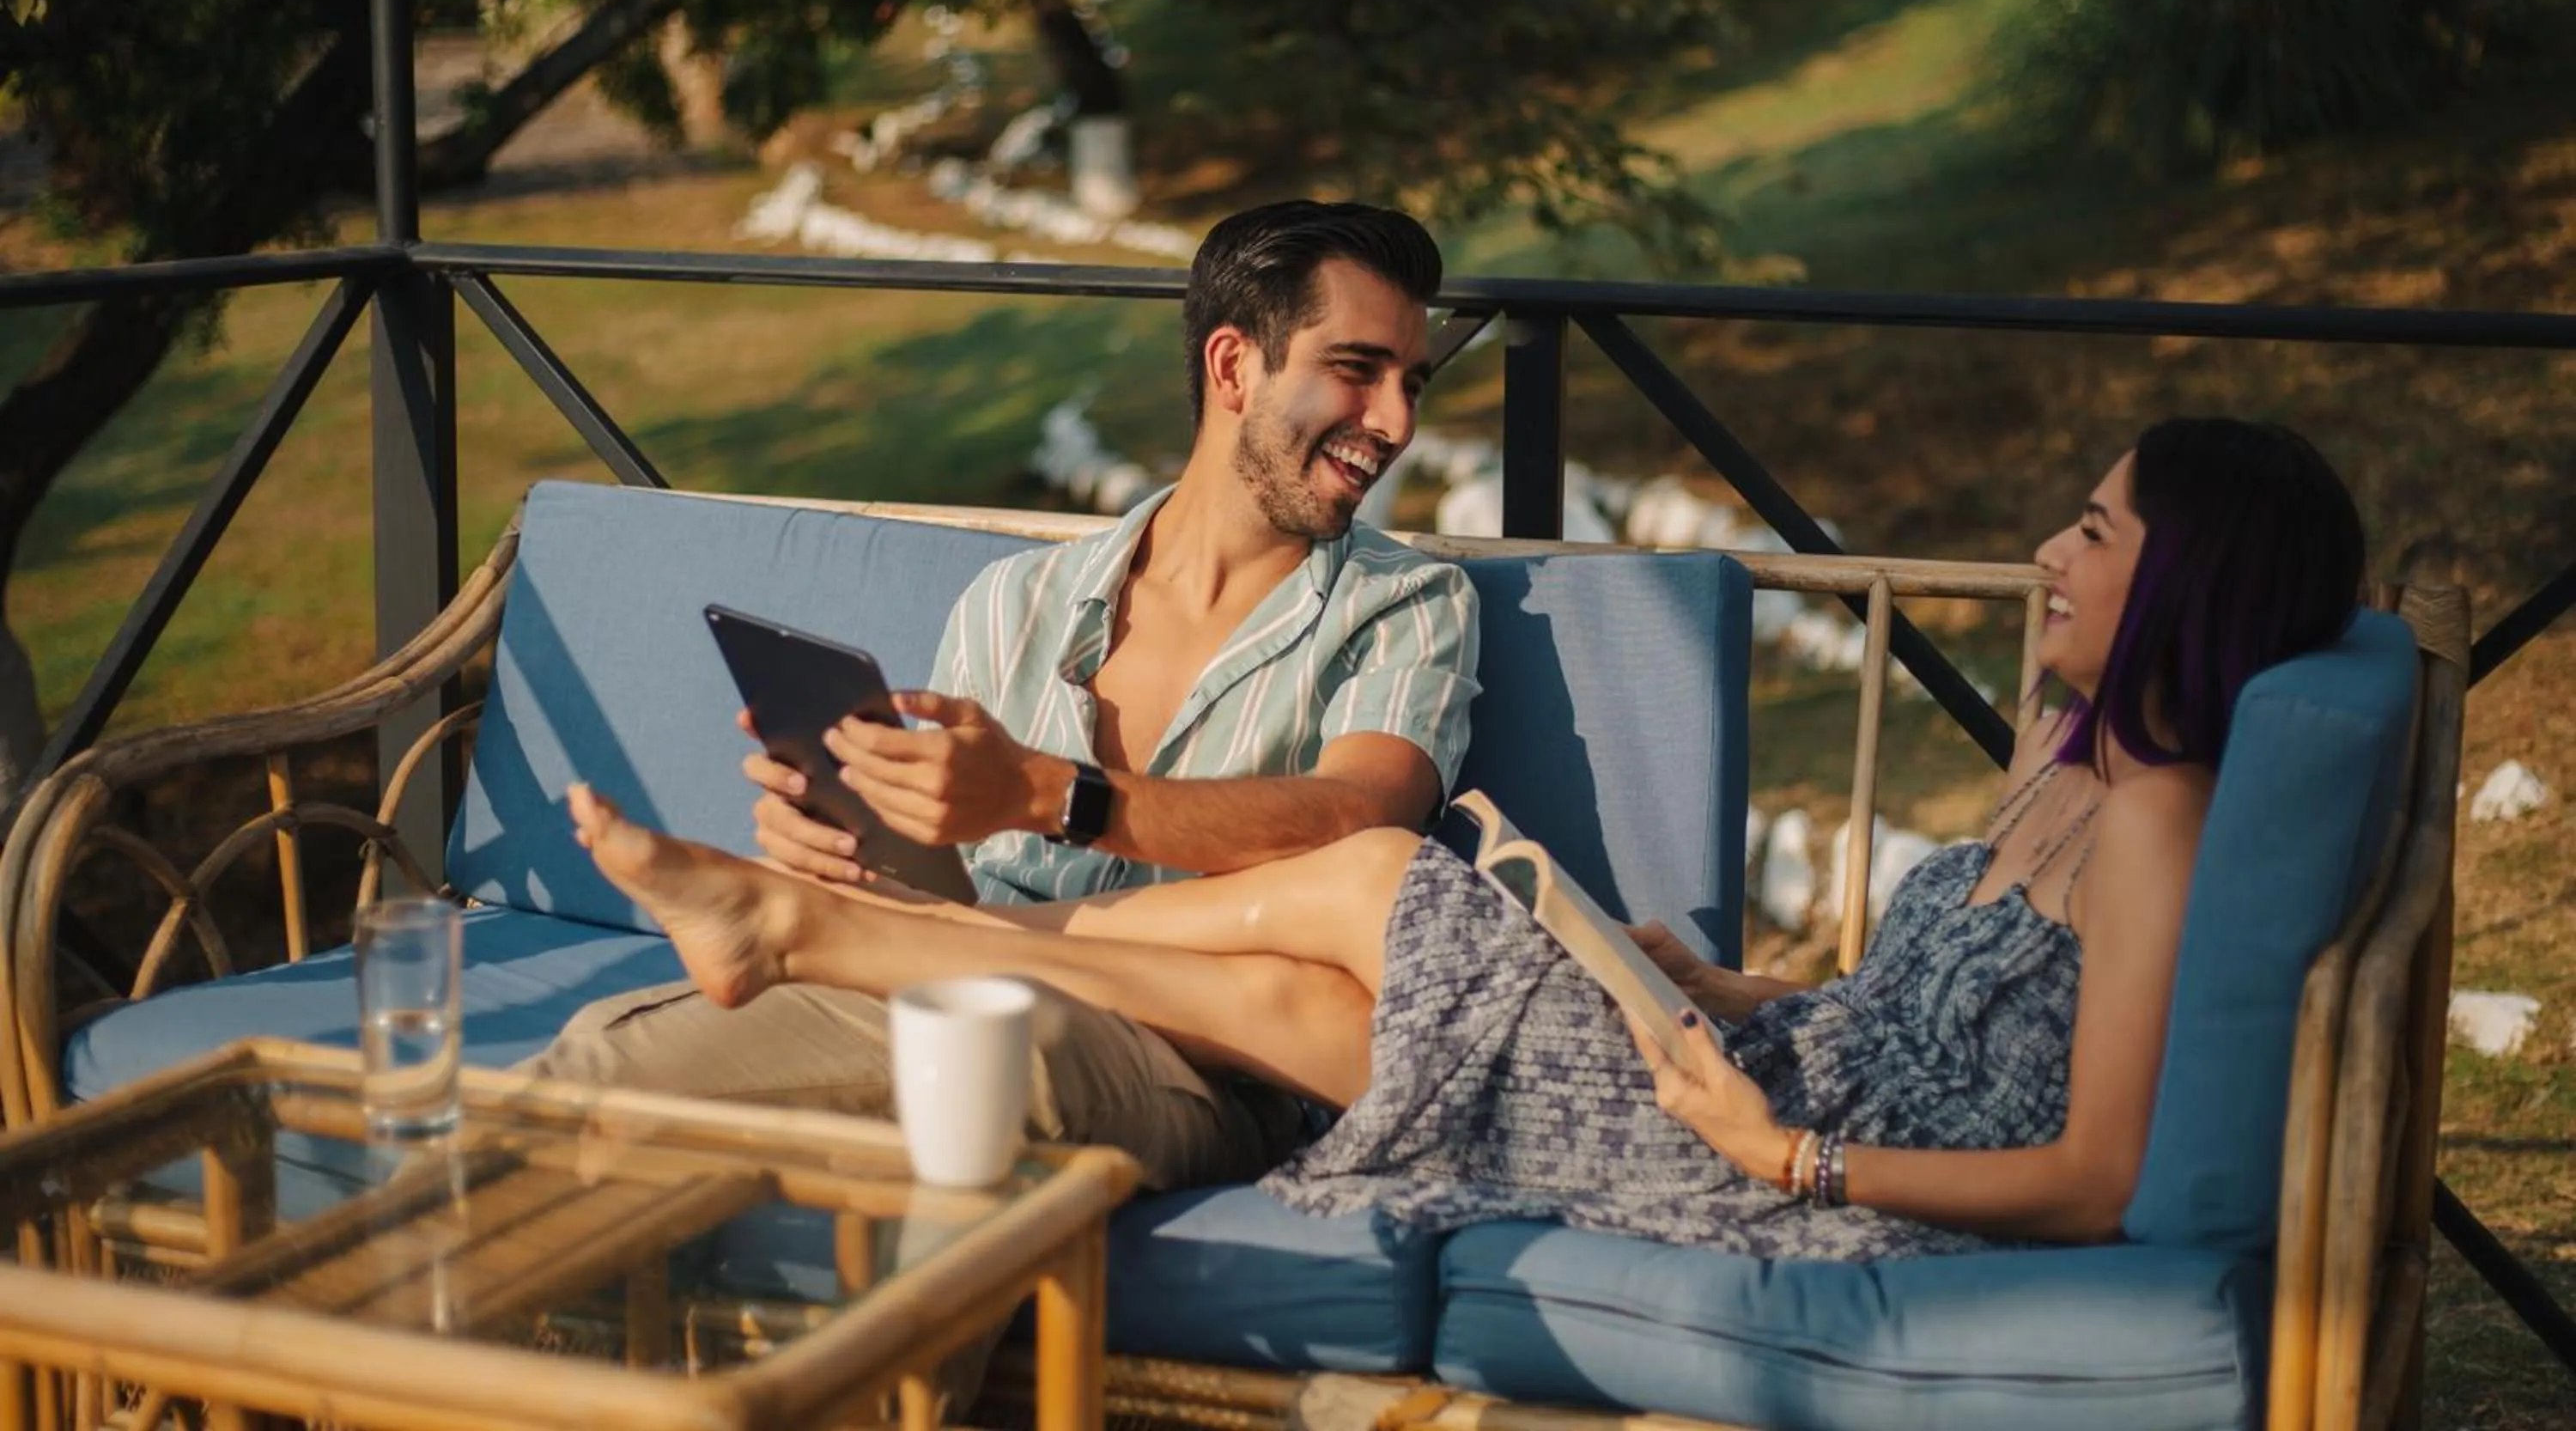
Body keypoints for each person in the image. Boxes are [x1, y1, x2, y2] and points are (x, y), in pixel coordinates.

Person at [561, 417, 2366, 1260]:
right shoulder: (2070, 774)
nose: (2051, 553)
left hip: (1787, 1167)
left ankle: (806, 935)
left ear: (2185, 582)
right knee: (1307, 986)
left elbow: (2097, 1177)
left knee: (1375, 884)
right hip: (1741, 1069)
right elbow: (1929, 1007)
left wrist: (1792, 1156)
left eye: (2094, 531)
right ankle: (806, 937)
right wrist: (1725, 983)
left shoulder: (2163, 823)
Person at [527, 199, 1481, 1196]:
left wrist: (1047, 793)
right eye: (1357, 370)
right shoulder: (1017, 602)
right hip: (953, 976)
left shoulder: (1405, 603)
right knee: (602, 1070)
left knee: (971, 1069)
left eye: (1410, 383)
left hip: (1203, 1056)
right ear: (1234, 365)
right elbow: (946, 884)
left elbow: (1361, 820)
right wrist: (852, 836)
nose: (1398, 423)